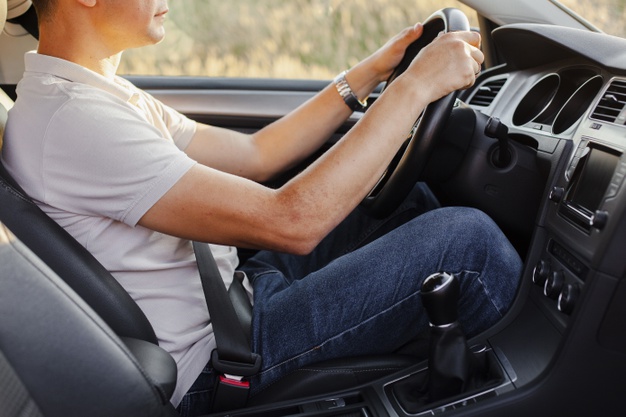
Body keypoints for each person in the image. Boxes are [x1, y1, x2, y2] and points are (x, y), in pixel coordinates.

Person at [1, 1, 522, 415]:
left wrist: (370, 73)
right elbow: (292, 222)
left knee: (407, 201)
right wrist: (413, 87)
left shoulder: (98, 95)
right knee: (468, 245)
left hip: (234, 299)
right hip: (219, 361)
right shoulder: (74, 121)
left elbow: (256, 154)